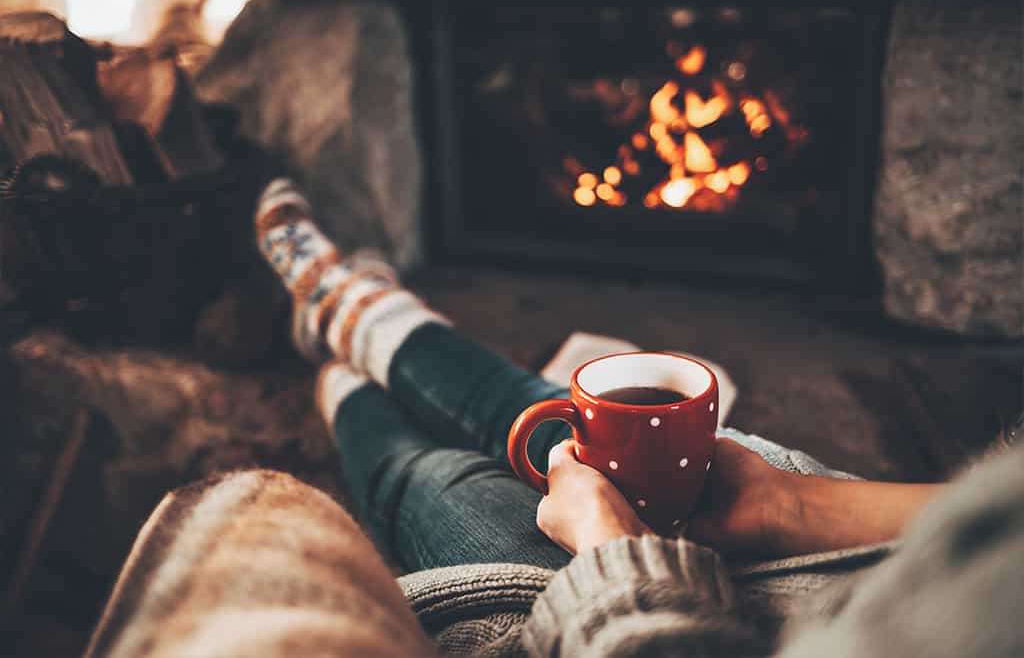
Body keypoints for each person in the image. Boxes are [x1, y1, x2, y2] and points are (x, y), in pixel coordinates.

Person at [85, 179, 1023, 658]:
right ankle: (347, 311)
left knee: (436, 473)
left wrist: (616, 547)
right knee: (531, 416)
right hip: (801, 545)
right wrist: (793, 505)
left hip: (628, 617)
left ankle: (339, 351)